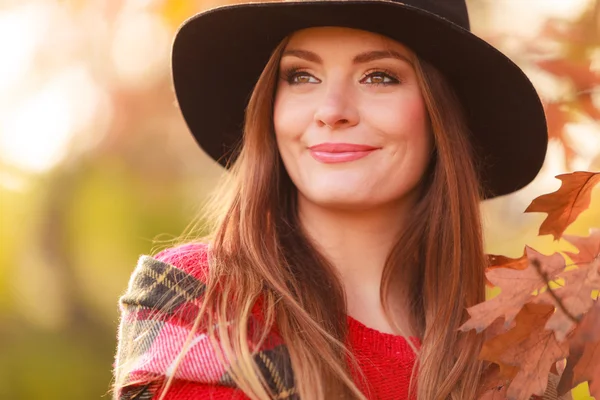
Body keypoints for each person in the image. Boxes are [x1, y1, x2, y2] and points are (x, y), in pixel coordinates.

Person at [112, 0, 551, 399]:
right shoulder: (203, 303)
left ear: (441, 115)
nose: (332, 109)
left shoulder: (513, 340)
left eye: (379, 76)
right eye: (302, 76)